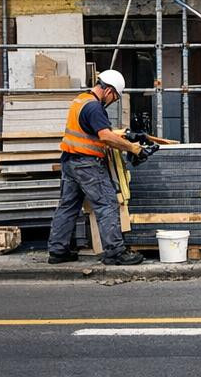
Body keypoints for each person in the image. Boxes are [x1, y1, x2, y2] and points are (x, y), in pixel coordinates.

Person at [47, 70, 146, 266]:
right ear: (108, 90)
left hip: (70, 162)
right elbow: (105, 136)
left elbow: (90, 131)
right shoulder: (94, 107)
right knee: (107, 204)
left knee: (67, 206)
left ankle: (58, 251)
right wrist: (133, 148)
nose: (112, 101)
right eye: (114, 97)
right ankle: (115, 252)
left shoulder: (80, 101)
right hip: (88, 165)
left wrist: (124, 136)